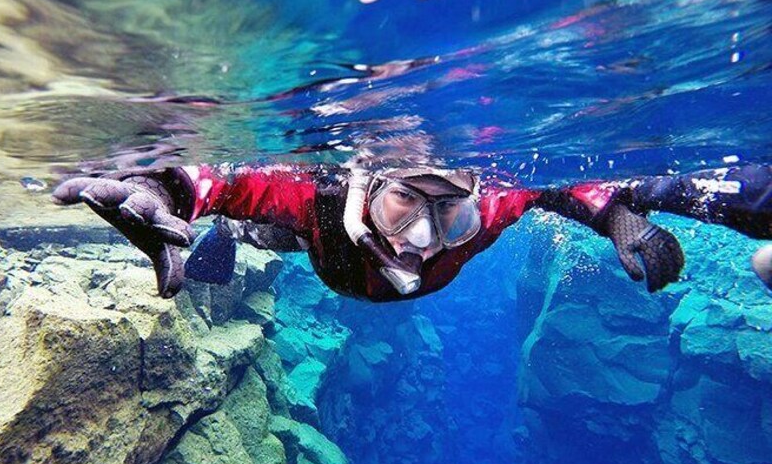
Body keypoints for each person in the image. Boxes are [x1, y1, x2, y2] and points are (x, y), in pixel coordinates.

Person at [51, 161, 772, 300]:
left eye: (450, 212)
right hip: (322, 244)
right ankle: (238, 242)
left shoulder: (491, 207)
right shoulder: (320, 193)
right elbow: (228, 180)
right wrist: (166, 190)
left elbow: (558, 188)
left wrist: (620, 220)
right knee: (272, 228)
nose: (424, 239)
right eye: (404, 202)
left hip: (341, 259)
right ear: (367, 186)